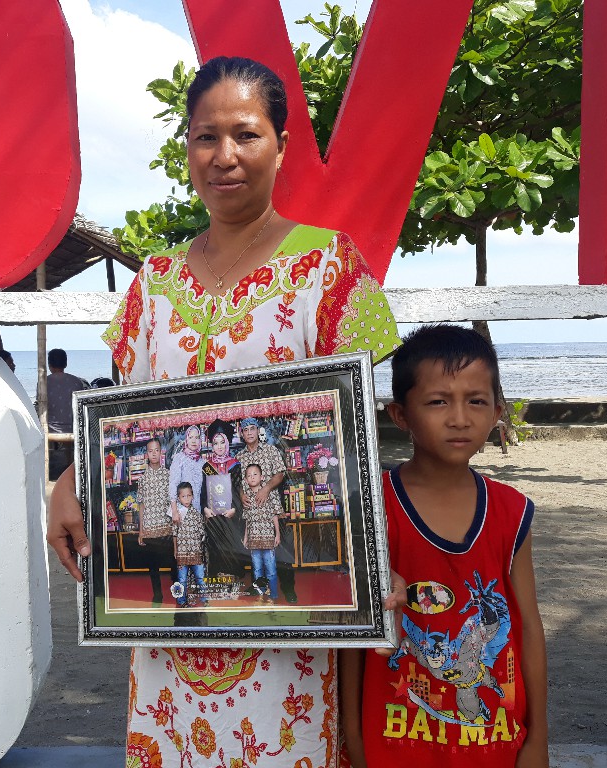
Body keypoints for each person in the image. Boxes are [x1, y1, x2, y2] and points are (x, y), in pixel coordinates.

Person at [47, 55, 399, 768]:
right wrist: (67, 479)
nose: (225, 156)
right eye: (206, 137)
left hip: (287, 615)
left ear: (281, 144)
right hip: (173, 612)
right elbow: (121, 417)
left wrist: (370, 551)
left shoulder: (329, 269)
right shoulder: (155, 283)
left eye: (246, 134)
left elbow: (356, 434)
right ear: (186, 148)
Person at [342, 325, 549, 768]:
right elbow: (352, 639)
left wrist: (537, 738)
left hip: (494, 744)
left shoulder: (512, 512)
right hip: (393, 745)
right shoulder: (371, 507)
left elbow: (528, 627)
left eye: (476, 401)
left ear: (497, 411)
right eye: (438, 401)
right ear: (400, 415)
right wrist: (354, 739)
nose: (460, 417)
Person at [235, 417, 294, 602]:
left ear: (258, 430)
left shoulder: (270, 450)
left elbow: (280, 473)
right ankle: (258, 586)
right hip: (252, 512)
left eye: (253, 429)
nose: (250, 432)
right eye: (246, 430)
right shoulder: (240, 457)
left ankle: (288, 587)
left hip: (272, 508)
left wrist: (266, 488)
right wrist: (241, 494)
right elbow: (238, 481)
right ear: (242, 434)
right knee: (255, 551)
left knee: (282, 550)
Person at [201, 419, 246, 583]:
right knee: (214, 547)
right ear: (211, 445)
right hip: (213, 515)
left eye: (222, 442)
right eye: (215, 443)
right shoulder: (207, 466)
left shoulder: (235, 465)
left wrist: (235, 508)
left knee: (231, 545)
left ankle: (233, 581)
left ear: (227, 443)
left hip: (230, 514)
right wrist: (205, 508)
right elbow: (203, 493)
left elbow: (238, 490)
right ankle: (216, 581)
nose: (219, 446)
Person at [136, 438, 172, 605]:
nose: (154, 453)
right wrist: (141, 531)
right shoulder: (143, 479)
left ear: (161, 452)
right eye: (151, 451)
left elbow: (173, 501)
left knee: (173, 563)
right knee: (153, 567)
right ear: (147, 454)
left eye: (157, 450)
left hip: (167, 528)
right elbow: (141, 505)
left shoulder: (168, 475)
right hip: (149, 529)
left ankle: (178, 592)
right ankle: (157, 595)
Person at [241, 463, 280, 601]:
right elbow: (247, 520)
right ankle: (261, 594)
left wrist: (277, 534)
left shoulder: (268, 495)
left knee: (270, 569)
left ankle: (274, 595)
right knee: (257, 569)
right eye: (249, 475)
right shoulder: (246, 499)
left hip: (268, 538)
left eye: (255, 474)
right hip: (253, 540)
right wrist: (245, 537)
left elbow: (274, 515)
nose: (252, 477)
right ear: (245, 480)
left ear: (262, 477)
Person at [170, 482, 207, 607]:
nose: (186, 499)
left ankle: (204, 599)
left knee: (200, 578)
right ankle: (181, 601)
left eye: (189, 496)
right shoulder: (177, 515)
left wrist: (201, 548)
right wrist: (175, 550)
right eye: (183, 496)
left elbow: (202, 534)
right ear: (179, 498)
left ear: (193, 496)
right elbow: (174, 534)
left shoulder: (197, 515)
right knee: (182, 580)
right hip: (182, 553)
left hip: (196, 552)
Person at [45, 348, 87, 434]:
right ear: (65, 364)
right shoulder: (76, 382)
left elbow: (41, 407)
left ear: (49, 364)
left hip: (50, 430)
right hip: (74, 429)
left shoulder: (43, 383)